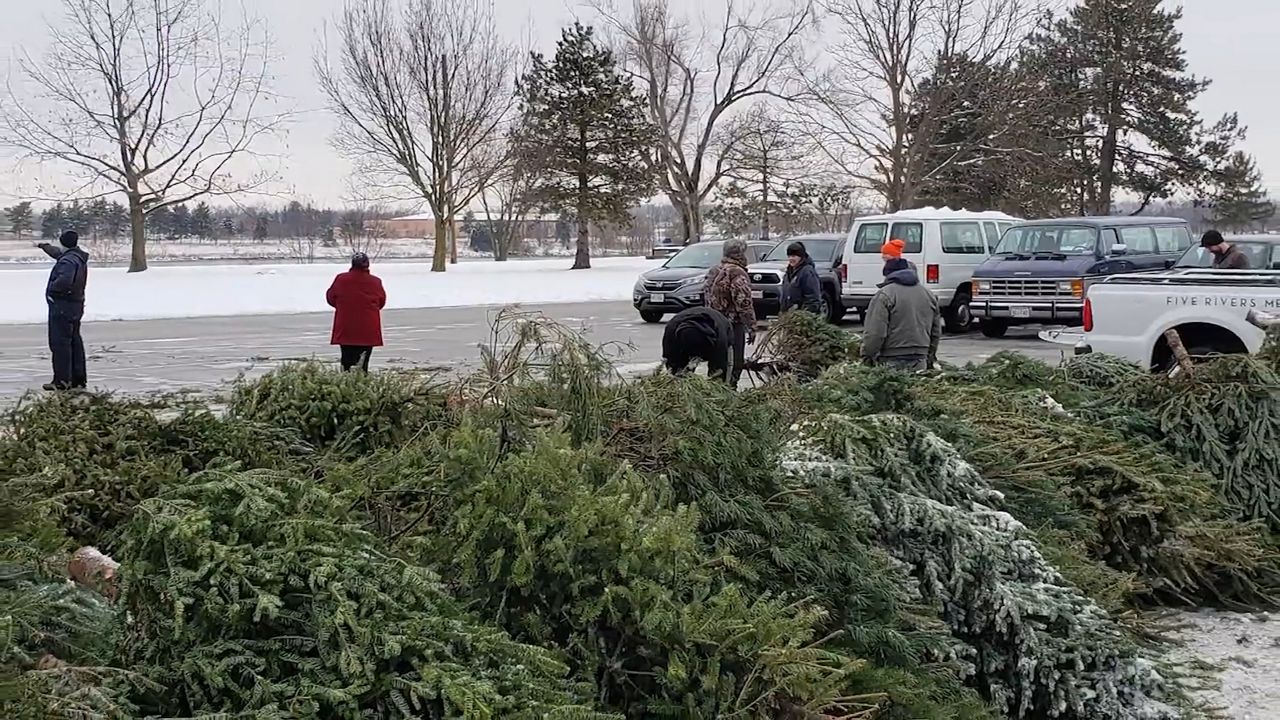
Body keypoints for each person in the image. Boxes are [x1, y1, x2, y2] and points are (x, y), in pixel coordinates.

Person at [861, 257, 941, 371]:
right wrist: (930, 355)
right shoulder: (928, 294)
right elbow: (936, 331)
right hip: (920, 356)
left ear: (888, 274)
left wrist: (868, 355)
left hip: (891, 356)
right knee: (915, 388)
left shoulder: (885, 294)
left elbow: (875, 332)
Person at [38, 231, 90, 391]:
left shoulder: (67, 261)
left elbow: (65, 280)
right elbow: (58, 254)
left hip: (63, 306)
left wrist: (52, 291)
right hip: (75, 305)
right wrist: (44, 247)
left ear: (63, 243)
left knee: (60, 343)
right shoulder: (76, 257)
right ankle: (78, 378)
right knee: (74, 341)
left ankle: (62, 380)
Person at [704, 239, 758, 387]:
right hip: (732, 326)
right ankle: (729, 392)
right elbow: (744, 303)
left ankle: (714, 392)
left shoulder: (714, 270)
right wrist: (751, 327)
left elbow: (706, 298)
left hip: (713, 325)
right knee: (734, 363)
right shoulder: (737, 273)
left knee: (716, 362)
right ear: (740, 253)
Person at [325, 252, 386, 372]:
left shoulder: (341, 279)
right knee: (363, 361)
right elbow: (381, 301)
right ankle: (361, 384)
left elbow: (331, 297)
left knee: (346, 360)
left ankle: (346, 384)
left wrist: (344, 307)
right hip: (368, 327)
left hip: (346, 326)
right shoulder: (375, 281)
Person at [662, 306, 735, 383]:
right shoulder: (671, 331)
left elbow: (720, 367)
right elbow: (670, 360)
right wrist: (677, 375)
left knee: (718, 378)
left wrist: (715, 382)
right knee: (679, 375)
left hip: (720, 328)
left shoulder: (719, 338)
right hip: (682, 338)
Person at [780, 241, 822, 315]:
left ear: (801, 257)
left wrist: (804, 314)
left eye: (794, 256)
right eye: (789, 256)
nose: (791, 259)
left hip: (801, 317)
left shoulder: (807, 272)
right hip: (789, 316)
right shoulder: (788, 273)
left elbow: (813, 298)